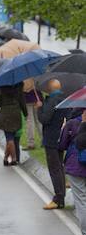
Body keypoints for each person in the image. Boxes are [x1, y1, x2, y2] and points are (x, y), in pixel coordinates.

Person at [38, 79, 75, 210]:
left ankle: (58, 198)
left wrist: (39, 107)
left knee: (54, 168)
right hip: (62, 137)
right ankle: (61, 192)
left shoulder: (51, 100)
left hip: (51, 138)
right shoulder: (66, 99)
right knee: (59, 166)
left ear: (50, 89)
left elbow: (44, 119)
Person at [60, 115, 86, 235]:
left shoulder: (73, 124)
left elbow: (63, 144)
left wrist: (64, 128)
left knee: (81, 200)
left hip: (76, 166)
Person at [0, 83, 27, 166]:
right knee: (11, 137)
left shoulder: (1, 86)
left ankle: (14, 158)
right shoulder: (19, 85)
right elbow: (22, 101)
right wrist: (25, 113)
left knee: (9, 138)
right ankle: (5, 158)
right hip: (16, 113)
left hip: (5, 114)